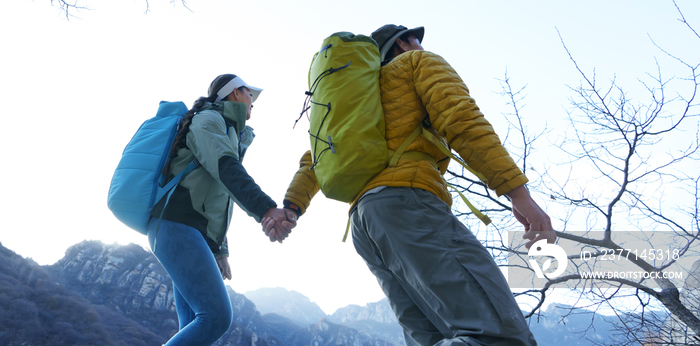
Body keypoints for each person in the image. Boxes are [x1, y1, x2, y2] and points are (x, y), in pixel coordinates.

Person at [269, 25, 556, 345]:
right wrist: (517, 192)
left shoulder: (354, 104)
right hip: (409, 206)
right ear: (403, 44)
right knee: (497, 336)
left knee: (432, 339)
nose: (420, 45)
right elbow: (463, 121)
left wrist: (291, 208)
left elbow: (315, 159)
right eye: (416, 40)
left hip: (366, 224)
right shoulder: (416, 64)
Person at [148, 73, 296, 346]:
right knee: (215, 317)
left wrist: (219, 249)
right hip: (176, 226)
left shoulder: (226, 129)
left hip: (187, 231)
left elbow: (217, 198)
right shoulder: (209, 120)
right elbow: (227, 170)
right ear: (234, 93)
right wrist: (266, 209)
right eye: (250, 93)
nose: (253, 101)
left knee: (195, 326)